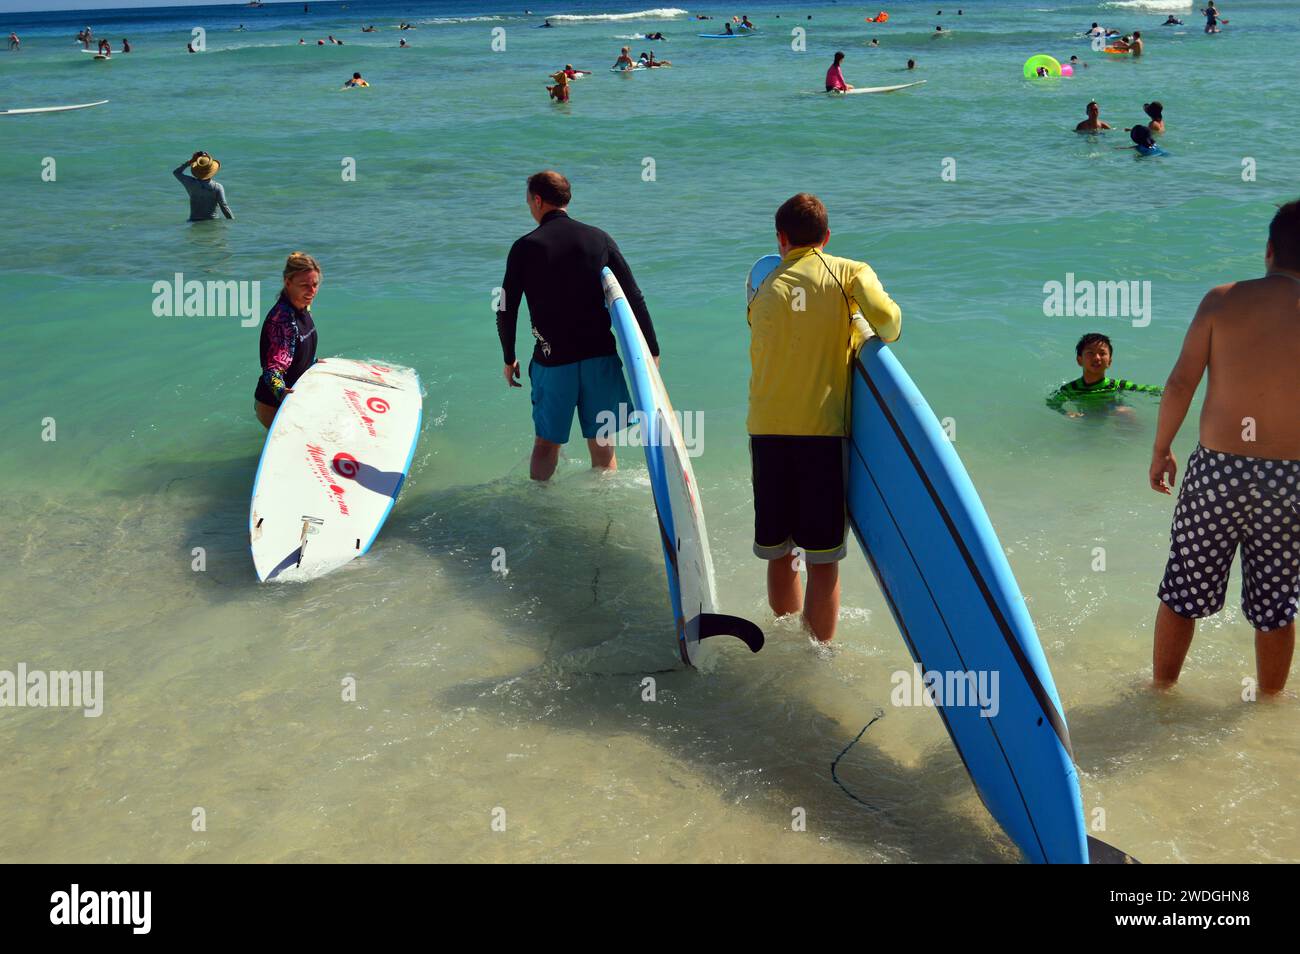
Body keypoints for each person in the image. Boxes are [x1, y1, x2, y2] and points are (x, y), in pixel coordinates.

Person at [1149, 199, 1300, 696]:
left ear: (1269, 250)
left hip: (1217, 473)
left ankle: (1162, 692)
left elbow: (1179, 384)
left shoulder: (1221, 300)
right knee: (1276, 604)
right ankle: (1269, 706)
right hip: (1291, 479)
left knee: (1182, 591)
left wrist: (1162, 448)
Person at [747, 193, 902, 643]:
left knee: (780, 550)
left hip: (765, 430)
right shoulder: (849, 271)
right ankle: (817, 656)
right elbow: (890, 323)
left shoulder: (763, 286)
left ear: (781, 239)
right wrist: (855, 323)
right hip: (819, 434)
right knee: (822, 557)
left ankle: (780, 641)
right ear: (827, 237)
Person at [496, 170, 659, 481]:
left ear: (539, 200)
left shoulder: (525, 247)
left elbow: (506, 307)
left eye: (529, 200)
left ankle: (539, 508)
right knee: (602, 444)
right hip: (599, 357)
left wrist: (509, 356)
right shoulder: (598, 238)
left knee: (546, 445)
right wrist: (652, 350)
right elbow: (633, 296)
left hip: (553, 361)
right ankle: (605, 507)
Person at [254, 252, 321, 429]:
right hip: (275, 406)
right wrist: (282, 392)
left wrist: (312, 362)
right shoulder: (282, 320)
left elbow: (295, 348)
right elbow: (272, 369)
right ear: (287, 282)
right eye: (305, 285)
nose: (312, 291)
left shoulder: (303, 305)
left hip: (294, 399)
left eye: (315, 284)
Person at [1046, 334, 1162, 418]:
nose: (1097, 358)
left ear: (1109, 362)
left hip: (1111, 414)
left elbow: (1146, 389)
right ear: (1079, 360)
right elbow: (1052, 403)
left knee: (1124, 411)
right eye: (1090, 353)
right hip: (1086, 416)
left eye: (1102, 353)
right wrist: (1066, 413)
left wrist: (1172, 391)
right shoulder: (1070, 389)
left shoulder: (1117, 385)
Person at [172, 151, 232, 222]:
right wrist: (232, 222)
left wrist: (190, 161)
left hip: (194, 221)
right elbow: (224, 206)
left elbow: (176, 172)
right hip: (212, 223)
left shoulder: (190, 183)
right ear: (212, 169)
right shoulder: (217, 187)